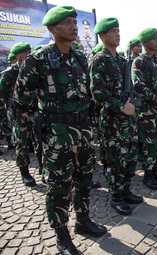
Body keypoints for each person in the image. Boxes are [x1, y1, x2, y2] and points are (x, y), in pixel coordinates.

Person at [14, 6, 107, 255]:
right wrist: (41, 123)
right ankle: (61, 236)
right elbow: (21, 100)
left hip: (83, 130)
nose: (74, 26)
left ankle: (83, 221)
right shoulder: (38, 59)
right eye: (67, 22)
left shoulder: (79, 57)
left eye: (75, 22)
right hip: (58, 135)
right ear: (52, 29)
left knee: (85, 179)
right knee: (58, 187)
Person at [90, 17, 143, 216]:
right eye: (113, 31)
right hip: (112, 120)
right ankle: (117, 197)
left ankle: (126, 190)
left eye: (119, 30)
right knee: (115, 162)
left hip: (128, 119)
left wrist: (132, 105)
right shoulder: (99, 60)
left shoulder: (122, 61)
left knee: (130, 158)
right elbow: (98, 93)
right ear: (102, 36)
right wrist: (121, 107)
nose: (118, 34)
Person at [132, 28, 157, 190]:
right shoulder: (139, 62)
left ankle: (156, 170)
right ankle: (148, 175)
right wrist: (156, 99)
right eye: (153, 39)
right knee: (149, 144)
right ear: (145, 42)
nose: (156, 41)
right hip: (147, 112)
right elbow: (137, 85)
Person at [0, 42, 39, 186]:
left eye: (29, 52)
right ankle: (25, 173)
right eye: (25, 53)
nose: (28, 55)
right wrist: (14, 107)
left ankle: (44, 169)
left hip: (35, 112)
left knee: (40, 141)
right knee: (22, 143)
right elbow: (3, 94)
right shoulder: (9, 74)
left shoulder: (34, 70)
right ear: (17, 55)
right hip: (19, 114)